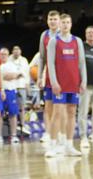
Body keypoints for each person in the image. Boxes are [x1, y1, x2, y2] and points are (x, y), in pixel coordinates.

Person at [45, 13, 86, 158]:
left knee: (71, 113)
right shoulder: (53, 41)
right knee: (57, 113)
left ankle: (69, 145)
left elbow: (81, 62)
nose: (65, 25)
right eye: (63, 22)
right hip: (60, 85)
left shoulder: (78, 41)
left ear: (71, 24)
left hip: (74, 83)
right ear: (59, 25)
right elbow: (50, 64)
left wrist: (84, 81)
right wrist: (54, 82)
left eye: (68, 22)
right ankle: (53, 145)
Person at [37, 10, 61, 147]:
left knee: (61, 107)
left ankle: (60, 134)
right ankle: (48, 132)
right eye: (50, 19)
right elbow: (42, 57)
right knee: (48, 106)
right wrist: (40, 76)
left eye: (55, 19)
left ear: (59, 21)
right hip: (48, 76)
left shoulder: (63, 35)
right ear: (47, 21)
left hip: (62, 75)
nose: (52, 21)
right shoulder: (44, 35)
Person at [0, 48, 23, 146]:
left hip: (11, 91)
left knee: (13, 113)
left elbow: (15, 75)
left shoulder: (11, 65)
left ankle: (13, 135)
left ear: (8, 55)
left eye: (5, 54)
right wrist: (5, 76)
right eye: (1, 54)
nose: (3, 56)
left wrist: (3, 76)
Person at [8, 45, 31, 136]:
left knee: (22, 107)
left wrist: (27, 86)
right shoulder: (9, 59)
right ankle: (14, 125)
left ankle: (23, 124)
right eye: (14, 50)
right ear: (12, 51)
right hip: (12, 87)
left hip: (22, 86)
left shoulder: (24, 60)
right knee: (13, 108)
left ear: (20, 51)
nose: (16, 51)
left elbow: (27, 74)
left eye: (18, 50)